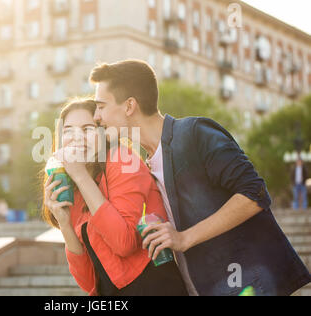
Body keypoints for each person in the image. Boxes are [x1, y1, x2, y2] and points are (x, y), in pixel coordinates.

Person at [89, 59, 311, 296]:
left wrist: (183, 238)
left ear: (129, 105)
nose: (96, 116)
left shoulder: (195, 133)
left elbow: (254, 195)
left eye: (101, 106)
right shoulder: (145, 165)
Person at [42, 99, 188, 296]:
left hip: (153, 287)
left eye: (87, 129)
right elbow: (89, 282)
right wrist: (65, 223)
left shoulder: (122, 161)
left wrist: (80, 175)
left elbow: (124, 243)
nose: (77, 137)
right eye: (68, 130)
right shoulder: (73, 188)